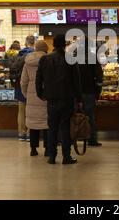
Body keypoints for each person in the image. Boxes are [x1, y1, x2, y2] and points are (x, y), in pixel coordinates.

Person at [36, 34, 82, 165]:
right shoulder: (71, 59)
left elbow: (39, 79)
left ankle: (52, 156)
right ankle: (66, 156)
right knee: (65, 128)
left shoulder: (45, 59)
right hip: (67, 98)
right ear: (65, 45)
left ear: (53, 45)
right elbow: (76, 81)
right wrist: (79, 98)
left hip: (51, 99)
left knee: (52, 128)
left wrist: (41, 94)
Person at [21, 40, 49, 156]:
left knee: (33, 124)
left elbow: (23, 81)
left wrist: (26, 95)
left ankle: (33, 149)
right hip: (46, 95)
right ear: (45, 49)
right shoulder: (48, 60)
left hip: (32, 95)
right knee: (47, 123)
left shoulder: (28, 61)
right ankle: (48, 149)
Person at [78, 39, 103, 147]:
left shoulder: (74, 57)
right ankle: (92, 139)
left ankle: (72, 136)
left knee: (74, 115)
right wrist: (98, 92)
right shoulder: (93, 57)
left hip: (76, 91)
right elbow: (99, 76)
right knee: (90, 116)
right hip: (89, 91)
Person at [11, 35, 35, 141]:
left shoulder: (19, 54)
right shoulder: (35, 54)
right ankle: (30, 133)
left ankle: (21, 133)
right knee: (31, 110)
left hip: (19, 86)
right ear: (34, 43)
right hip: (31, 86)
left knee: (21, 111)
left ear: (25, 43)